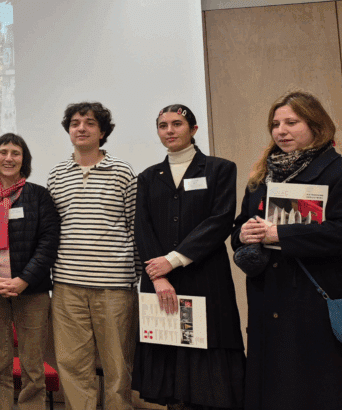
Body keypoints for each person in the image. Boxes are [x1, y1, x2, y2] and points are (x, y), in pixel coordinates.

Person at [233, 91, 342, 409]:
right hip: (268, 298)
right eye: (276, 124)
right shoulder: (261, 176)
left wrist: (280, 232)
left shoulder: (336, 172)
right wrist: (243, 233)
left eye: (291, 122)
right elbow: (237, 229)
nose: (281, 130)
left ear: (316, 125)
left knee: (314, 389)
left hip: (314, 299)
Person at [132, 104, 245, 410]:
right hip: (160, 283)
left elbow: (220, 221)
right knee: (169, 371)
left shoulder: (220, 169)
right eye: (163, 125)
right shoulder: (147, 176)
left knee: (207, 374)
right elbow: (142, 229)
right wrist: (159, 275)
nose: (169, 130)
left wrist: (174, 259)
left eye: (177, 124)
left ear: (193, 130)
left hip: (205, 278)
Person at [47, 102, 139, 410]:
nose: (81, 128)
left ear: (102, 132)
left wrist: (132, 277)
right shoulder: (57, 175)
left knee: (117, 366)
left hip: (114, 286)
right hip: (66, 285)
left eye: (89, 123)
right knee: (72, 364)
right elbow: (52, 229)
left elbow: (134, 226)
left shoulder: (123, 172)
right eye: (75, 123)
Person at [0, 133, 59, 410]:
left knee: (32, 364)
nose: (8, 158)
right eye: (3, 152)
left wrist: (24, 280)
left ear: (24, 160)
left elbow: (48, 241)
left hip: (32, 291)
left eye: (15, 153)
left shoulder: (39, 196)